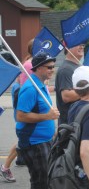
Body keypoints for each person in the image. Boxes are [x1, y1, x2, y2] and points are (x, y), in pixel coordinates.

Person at [15, 53, 60, 188]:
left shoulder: (41, 85)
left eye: (53, 66)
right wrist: (47, 117)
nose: (52, 69)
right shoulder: (30, 88)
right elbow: (20, 116)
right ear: (39, 68)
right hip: (35, 144)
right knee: (41, 183)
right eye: (49, 67)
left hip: (44, 141)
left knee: (46, 179)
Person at [55, 43, 85, 125]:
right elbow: (66, 96)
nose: (82, 46)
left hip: (77, 121)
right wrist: (88, 90)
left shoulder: (77, 67)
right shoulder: (66, 69)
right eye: (78, 44)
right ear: (67, 48)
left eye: (83, 44)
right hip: (69, 124)